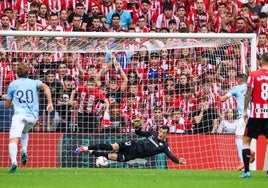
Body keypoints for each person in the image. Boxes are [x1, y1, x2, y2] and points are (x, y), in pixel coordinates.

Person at [5, 63, 53, 173]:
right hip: (32, 117)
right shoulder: (34, 82)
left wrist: (12, 102)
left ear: (17, 73)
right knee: (25, 131)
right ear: (28, 73)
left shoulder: (13, 84)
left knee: (13, 139)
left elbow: (7, 106)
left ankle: (13, 162)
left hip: (19, 116)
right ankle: (24, 150)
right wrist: (49, 103)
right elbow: (46, 87)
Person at [74, 122, 186, 165]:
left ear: (167, 135)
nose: (161, 134)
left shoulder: (164, 147)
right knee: (110, 146)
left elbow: (171, 156)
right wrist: (137, 127)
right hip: (132, 144)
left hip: (132, 155)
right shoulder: (152, 134)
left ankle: (91, 151)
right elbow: (139, 132)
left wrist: (178, 161)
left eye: (164, 133)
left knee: (109, 156)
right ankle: (84, 147)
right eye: (161, 131)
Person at [239, 52, 268, 178]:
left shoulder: (254, 74)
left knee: (246, 140)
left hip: (256, 115)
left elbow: (248, 93)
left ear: (261, 60)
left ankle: (246, 171)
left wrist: (245, 110)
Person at [220, 74, 255, 170]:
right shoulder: (251, 87)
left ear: (238, 80)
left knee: (238, 137)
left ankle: (242, 161)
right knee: (247, 138)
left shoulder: (236, 88)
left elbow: (223, 99)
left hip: (243, 115)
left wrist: (219, 98)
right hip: (254, 115)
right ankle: (250, 151)